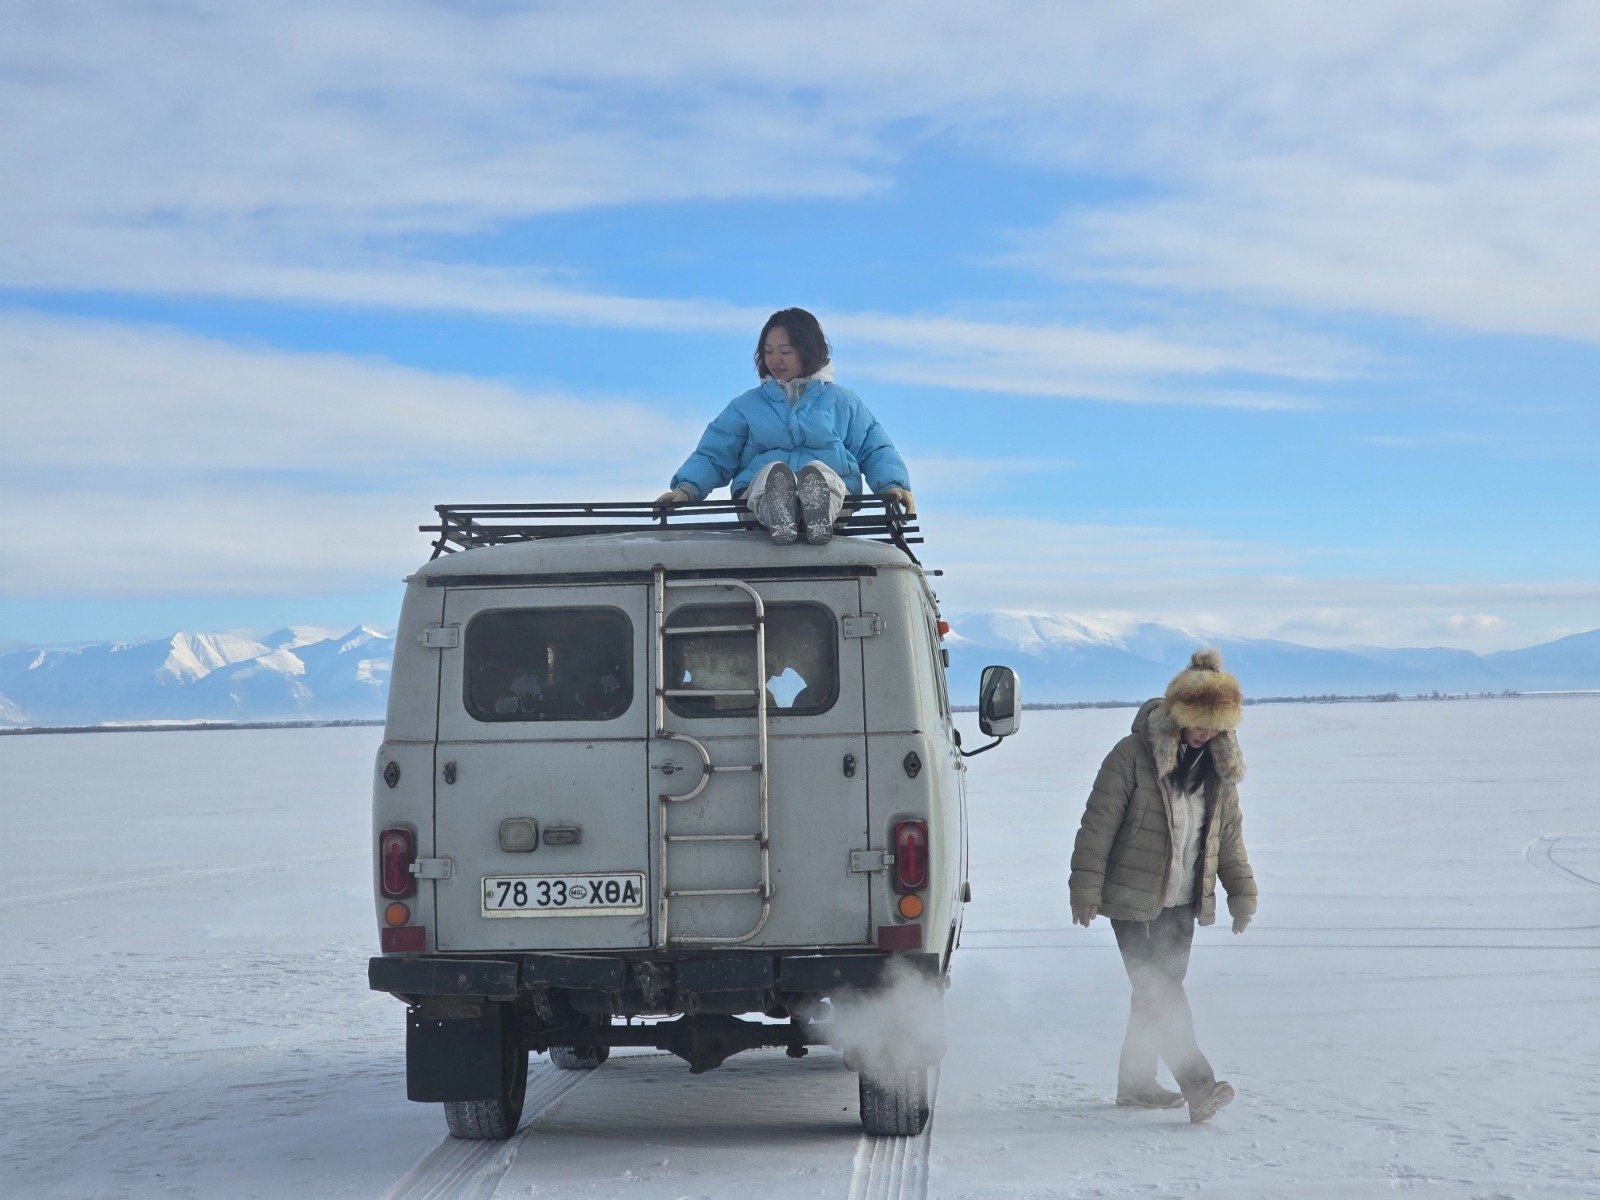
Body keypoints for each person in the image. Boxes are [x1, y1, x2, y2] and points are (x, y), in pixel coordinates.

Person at [1068, 647, 1258, 1124]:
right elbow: (1097, 826)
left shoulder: (1218, 769)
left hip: (1181, 902)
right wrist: (1085, 888)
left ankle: (1134, 1085)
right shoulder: (1131, 757)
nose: (1205, 732)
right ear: (1177, 713)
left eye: (1215, 724)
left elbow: (1227, 836)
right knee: (1159, 992)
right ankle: (1199, 1086)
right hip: (1133, 900)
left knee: (1156, 991)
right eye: (1198, 721)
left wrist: (1241, 894)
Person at [654, 308, 914, 544]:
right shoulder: (747, 406)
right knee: (770, 473)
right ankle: (778, 510)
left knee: (822, 473)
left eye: (785, 351)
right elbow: (714, 454)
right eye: (768, 351)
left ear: (809, 351)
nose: (775, 360)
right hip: (756, 506)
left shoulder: (841, 402)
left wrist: (893, 485)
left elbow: (873, 446)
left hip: (835, 503)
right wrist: (686, 490)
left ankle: (817, 511)